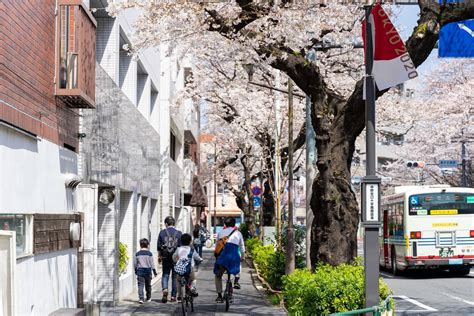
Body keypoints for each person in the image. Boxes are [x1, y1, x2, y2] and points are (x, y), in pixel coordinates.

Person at [214, 217, 245, 303]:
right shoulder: (238, 233)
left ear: (225, 224)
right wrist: (242, 256)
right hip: (233, 258)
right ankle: (236, 280)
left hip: (223, 259)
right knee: (239, 263)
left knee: (218, 275)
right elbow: (242, 248)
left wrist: (216, 257)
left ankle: (219, 296)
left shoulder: (220, 233)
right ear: (234, 224)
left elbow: (217, 246)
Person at [157, 216, 182, 303]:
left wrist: (159, 257)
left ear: (166, 224)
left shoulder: (162, 233)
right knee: (175, 276)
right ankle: (173, 297)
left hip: (165, 256)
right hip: (176, 258)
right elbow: (181, 247)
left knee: (165, 274)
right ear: (174, 224)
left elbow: (159, 247)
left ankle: (165, 289)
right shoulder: (179, 233)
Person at [172, 233, 203, 302]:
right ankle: (192, 287)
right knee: (193, 279)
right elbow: (196, 257)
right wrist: (200, 259)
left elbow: (174, 257)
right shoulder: (191, 249)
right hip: (190, 268)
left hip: (180, 269)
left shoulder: (178, 249)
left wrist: (175, 261)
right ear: (190, 242)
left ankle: (179, 295)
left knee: (178, 280)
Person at [134, 238, 158, 304]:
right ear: (147, 245)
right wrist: (154, 272)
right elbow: (152, 263)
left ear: (140, 245)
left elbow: (135, 263)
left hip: (140, 271)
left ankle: (141, 298)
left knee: (140, 285)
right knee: (148, 285)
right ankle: (148, 297)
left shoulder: (137, 254)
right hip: (148, 271)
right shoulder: (149, 254)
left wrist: (136, 270)